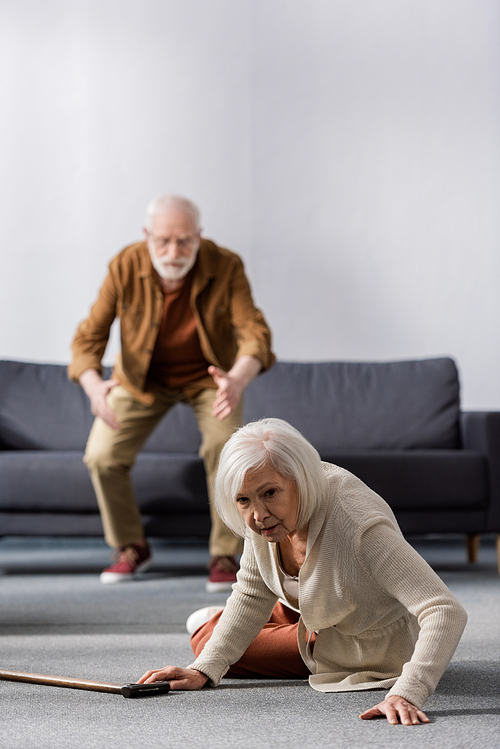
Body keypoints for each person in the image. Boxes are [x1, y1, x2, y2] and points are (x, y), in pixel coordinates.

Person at [139, 418, 468, 725]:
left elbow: (443, 609)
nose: (258, 515)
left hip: (363, 644)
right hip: (321, 605)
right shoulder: (263, 518)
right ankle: (258, 618)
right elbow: (253, 592)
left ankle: (227, 621)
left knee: (204, 637)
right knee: (211, 651)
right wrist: (203, 671)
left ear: (302, 479)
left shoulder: (359, 525)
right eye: (243, 500)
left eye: (270, 493)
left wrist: (408, 692)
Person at [68, 195, 275, 589]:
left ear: (199, 236)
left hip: (209, 380)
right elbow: (88, 337)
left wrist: (237, 378)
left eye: (184, 241)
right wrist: (95, 387)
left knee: (226, 449)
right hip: (138, 381)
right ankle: (131, 546)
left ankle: (225, 553)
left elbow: (255, 333)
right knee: (101, 455)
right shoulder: (125, 265)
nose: (173, 251)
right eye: (163, 240)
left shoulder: (225, 265)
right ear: (147, 236)